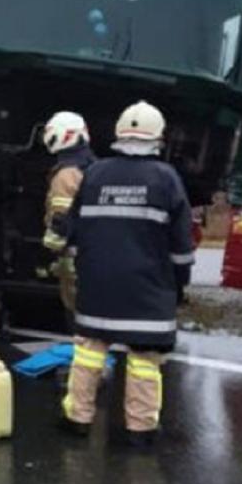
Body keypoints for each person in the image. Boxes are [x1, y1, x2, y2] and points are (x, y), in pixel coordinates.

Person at [61, 100, 194, 447]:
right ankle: (140, 429)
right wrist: (179, 285)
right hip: (147, 290)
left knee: (89, 352)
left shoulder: (95, 174)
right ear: (158, 139)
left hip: (98, 286)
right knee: (144, 361)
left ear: (119, 134)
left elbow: (73, 234)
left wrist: (83, 270)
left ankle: (78, 418)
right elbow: (180, 246)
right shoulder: (166, 179)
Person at [38, 111, 96, 323]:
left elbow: (60, 221)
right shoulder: (95, 168)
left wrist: (46, 253)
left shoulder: (65, 174)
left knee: (77, 315)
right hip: (96, 252)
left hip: (74, 256)